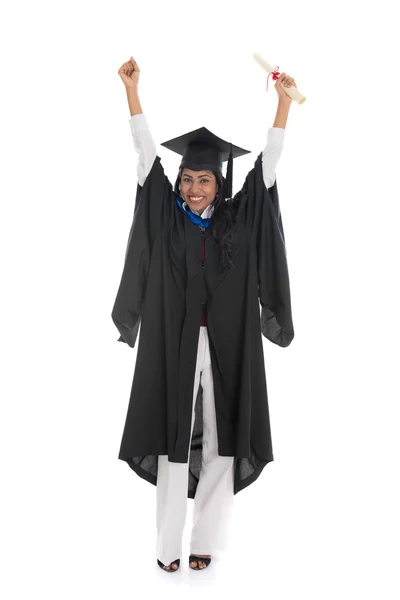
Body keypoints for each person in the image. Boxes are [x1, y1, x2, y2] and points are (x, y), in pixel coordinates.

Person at [112, 57, 296, 572]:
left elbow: (268, 167)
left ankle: (204, 544)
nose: (194, 188)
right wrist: (133, 93)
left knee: (221, 440)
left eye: (205, 180)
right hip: (171, 344)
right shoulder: (166, 219)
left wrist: (283, 105)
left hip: (227, 345)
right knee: (172, 444)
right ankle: (168, 548)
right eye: (188, 179)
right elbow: (145, 156)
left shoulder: (238, 221)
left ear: (219, 183)